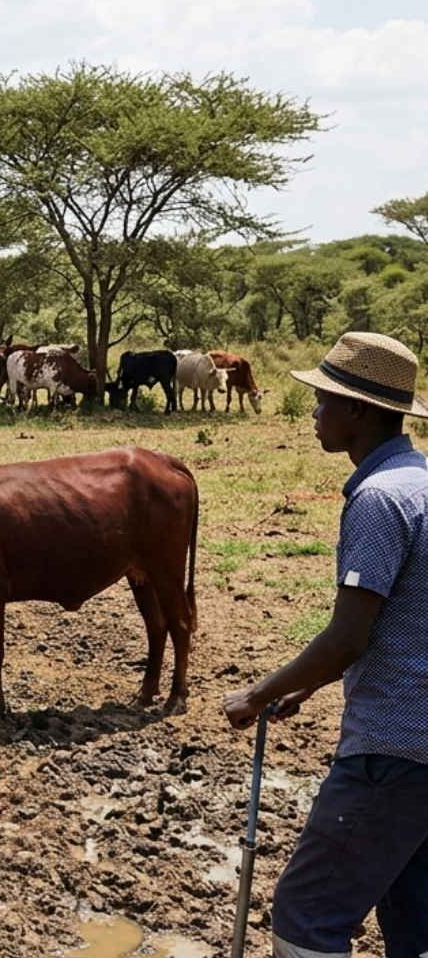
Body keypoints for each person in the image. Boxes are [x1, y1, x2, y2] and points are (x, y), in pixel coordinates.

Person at [224, 331, 428, 958]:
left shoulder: (378, 500)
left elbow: (347, 637)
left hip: (392, 747)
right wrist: (308, 680)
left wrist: (258, 694)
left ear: (358, 411)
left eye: (322, 402)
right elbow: (406, 617)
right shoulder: (420, 482)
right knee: (414, 913)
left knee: (306, 914)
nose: (313, 414)